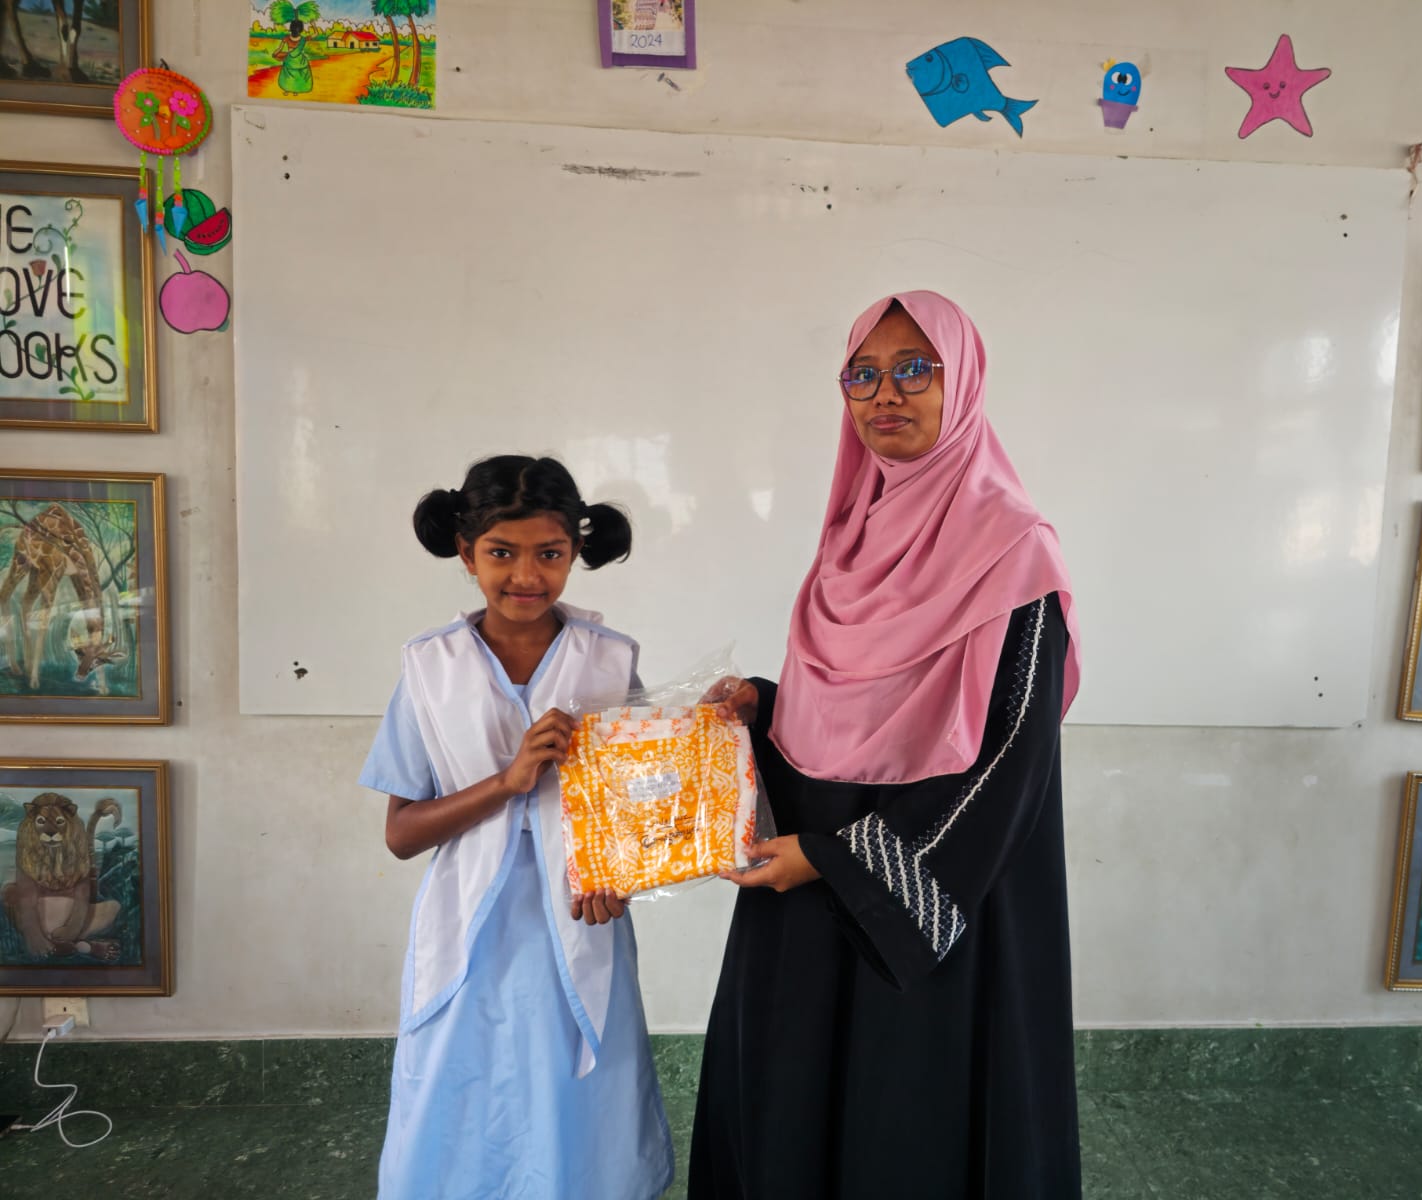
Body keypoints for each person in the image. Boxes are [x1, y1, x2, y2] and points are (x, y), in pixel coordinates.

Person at [689, 291, 1085, 1199]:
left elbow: (1014, 754)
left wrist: (839, 862)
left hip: (936, 899)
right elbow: (855, 718)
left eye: (914, 369)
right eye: (861, 375)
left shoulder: (1016, 552)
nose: (885, 394)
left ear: (963, 382)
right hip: (805, 886)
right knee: (793, 1104)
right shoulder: (848, 539)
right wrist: (764, 706)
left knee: (910, 1124)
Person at [360, 455, 673, 1200]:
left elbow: (639, 805)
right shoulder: (430, 668)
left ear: (575, 552)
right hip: (470, 930)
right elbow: (402, 834)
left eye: (549, 554)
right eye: (502, 553)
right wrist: (508, 781)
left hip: (582, 916)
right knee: (461, 1097)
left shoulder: (609, 659)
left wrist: (622, 875)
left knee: (576, 1099)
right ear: (466, 554)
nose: (526, 575)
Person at [272, 17, 314, 96]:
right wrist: (313, 25)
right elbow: (316, 34)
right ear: (301, 29)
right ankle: (295, 90)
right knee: (298, 75)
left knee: (288, 75)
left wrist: (274, 54)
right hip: (299, 60)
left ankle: (288, 90)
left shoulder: (287, 38)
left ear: (291, 28)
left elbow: (279, 48)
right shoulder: (303, 39)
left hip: (290, 60)